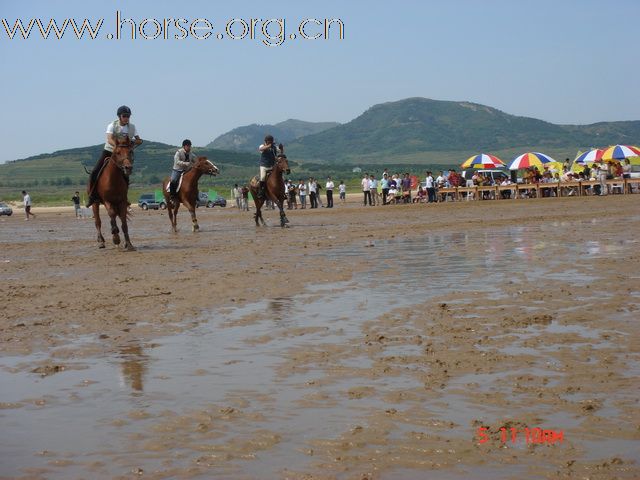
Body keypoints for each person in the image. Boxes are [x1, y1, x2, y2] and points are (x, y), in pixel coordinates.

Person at [87, 105, 142, 207]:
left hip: (123, 154)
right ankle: (92, 196)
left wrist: (135, 142)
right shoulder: (112, 125)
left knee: (127, 172)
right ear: (119, 116)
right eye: (124, 116)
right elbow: (109, 138)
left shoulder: (132, 127)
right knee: (95, 171)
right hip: (109, 151)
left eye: (128, 116)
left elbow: (138, 139)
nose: (126, 118)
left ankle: (125, 197)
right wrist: (117, 146)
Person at [257, 134, 278, 200]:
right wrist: (269, 146)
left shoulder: (274, 147)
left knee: (280, 176)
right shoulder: (262, 146)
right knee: (262, 177)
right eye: (270, 141)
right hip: (264, 166)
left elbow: (279, 151)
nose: (271, 142)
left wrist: (282, 149)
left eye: (271, 141)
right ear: (266, 141)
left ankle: (282, 191)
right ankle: (261, 191)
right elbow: (261, 149)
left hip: (272, 166)